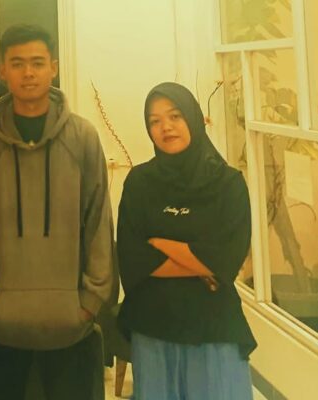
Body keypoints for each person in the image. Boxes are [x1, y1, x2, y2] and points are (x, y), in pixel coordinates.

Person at [0, 24, 114, 400]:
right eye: (17, 63)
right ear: (2, 70)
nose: (28, 73)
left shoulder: (82, 136)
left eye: (37, 63)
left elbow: (98, 220)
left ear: (54, 68)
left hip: (71, 324)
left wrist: (90, 301)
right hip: (0, 324)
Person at [117, 81, 256, 399]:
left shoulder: (228, 184)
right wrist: (202, 265)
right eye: (155, 121)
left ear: (193, 118)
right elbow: (132, 259)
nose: (165, 127)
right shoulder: (139, 182)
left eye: (175, 116)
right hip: (153, 324)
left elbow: (228, 260)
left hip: (213, 325)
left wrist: (160, 245)